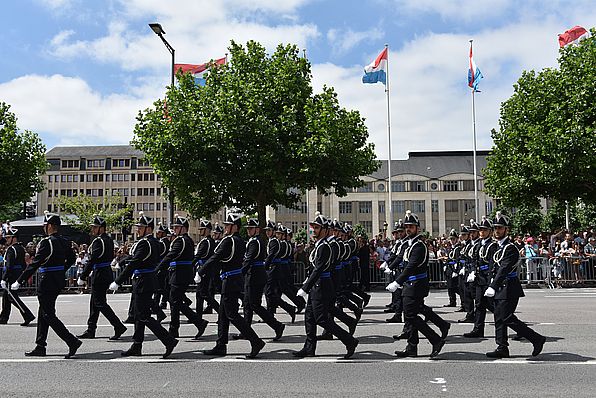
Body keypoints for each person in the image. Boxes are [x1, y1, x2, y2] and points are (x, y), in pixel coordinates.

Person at [12, 211, 82, 358]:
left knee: (48, 314)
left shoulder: (47, 242)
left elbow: (34, 264)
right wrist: (61, 270)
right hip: (57, 279)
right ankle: (40, 345)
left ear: (50, 226)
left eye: (45, 225)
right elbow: (71, 259)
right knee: (43, 312)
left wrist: (20, 280)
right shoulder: (65, 241)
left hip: (47, 280)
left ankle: (71, 341)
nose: (44, 227)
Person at [197, 213, 266, 359]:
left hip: (230, 281)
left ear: (234, 227)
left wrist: (201, 271)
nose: (225, 228)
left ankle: (256, 341)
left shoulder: (229, 241)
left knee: (232, 314)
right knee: (223, 315)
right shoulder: (240, 241)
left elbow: (216, 257)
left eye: (228, 225)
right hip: (232, 279)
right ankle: (221, 345)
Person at [110, 211, 178, 358]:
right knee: (138, 315)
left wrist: (118, 281)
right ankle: (137, 344)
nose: (137, 229)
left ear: (148, 228)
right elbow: (135, 259)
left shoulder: (146, 243)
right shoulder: (153, 242)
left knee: (144, 315)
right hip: (144, 280)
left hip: (143, 281)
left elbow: (134, 262)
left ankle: (168, 340)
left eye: (140, 227)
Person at [293, 212, 359, 359]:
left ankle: (349, 341)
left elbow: (319, 269)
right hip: (317, 284)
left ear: (325, 230)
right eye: (313, 227)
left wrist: (305, 288)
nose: (314, 230)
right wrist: (308, 282)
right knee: (309, 317)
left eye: (317, 228)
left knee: (321, 319)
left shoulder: (324, 247)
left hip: (322, 285)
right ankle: (309, 347)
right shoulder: (319, 245)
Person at [484, 211, 547, 358]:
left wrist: (493, 286)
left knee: (506, 317)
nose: (497, 231)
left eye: (500, 228)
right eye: (495, 228)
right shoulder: (496, 247)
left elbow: (504, 269)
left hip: (509, 287)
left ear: (507, 230)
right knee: (499, 318)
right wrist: (490, 285)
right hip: (498, 287)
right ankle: (502, 347)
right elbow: (492, 268)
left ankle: (536, 339)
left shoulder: (510, 248)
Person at [392, 210, 446, 359]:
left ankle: (435, 339)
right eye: (406, 226)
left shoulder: (419, 246)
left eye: (411, 226)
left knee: (410, 316)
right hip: (410, 284)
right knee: (410, 316)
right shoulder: (409, 245)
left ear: (418, 228)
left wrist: (398, 281)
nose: (408, 229)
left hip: (416, 285)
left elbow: (411, 266)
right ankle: (412, 346)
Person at [76, 215, 127, 340]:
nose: (93, 229)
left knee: (99, 303)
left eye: (95, 227)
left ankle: (118, 325)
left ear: (102, 228)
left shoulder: (99, 241)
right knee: (95, 302)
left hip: (100, 273)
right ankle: (91, 329)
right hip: (105, 271)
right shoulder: (108, 240)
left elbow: (93, 259)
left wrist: (83, 276)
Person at [157, 214, 208, 339]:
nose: (174, 229)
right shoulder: (188, 240)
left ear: (183, 228)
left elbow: (170, 255)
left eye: (177, 227)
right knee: (176, 301)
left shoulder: (181, 241)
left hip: (179, 274)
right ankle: (198, 322)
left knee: (174, 301)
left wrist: (158, 268)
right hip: (180, 273)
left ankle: (174, 329)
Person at [237, 217, 285, 341]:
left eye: (251, 228)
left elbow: (249, 259)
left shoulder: (255, 242)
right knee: (247, 305)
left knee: (254, 305)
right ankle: (246, 331)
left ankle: (277, 325)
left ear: (257, 229)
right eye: (247, 228)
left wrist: (239, 273)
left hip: (255, 276)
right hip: (252, 275)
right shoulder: (254, 241)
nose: (248, 230)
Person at [464, 216, 497, 338]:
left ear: (490, 231)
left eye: (484, 230)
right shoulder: (478, 244)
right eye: (481, 230)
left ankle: (514, 325)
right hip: (479, 278)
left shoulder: (492, 245)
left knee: (494, 306)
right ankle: (478, 329)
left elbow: (492, 263)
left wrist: (491, 280)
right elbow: (474, 260)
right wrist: (472, 271)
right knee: (479, 304)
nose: (482, 232)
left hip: (487, 278)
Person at [0, 227, 36, 326]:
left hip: (10, 276)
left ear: (14, 238)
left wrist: (4, 278)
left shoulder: (11, 250)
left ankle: (27, 315)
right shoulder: (20, 248)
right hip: (17, 275)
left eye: (8, 238)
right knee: (6, 297)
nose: (7, 240)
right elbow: (23, 265)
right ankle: (3, 317)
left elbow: (8, 266)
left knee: (12, 298)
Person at [193, 219, 219, 337]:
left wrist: (191, 264)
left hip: (204, 269)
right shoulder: (210, 241)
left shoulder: (206, 242)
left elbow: (199, 255)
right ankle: (198, 318)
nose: (201, 231)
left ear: (207, 230)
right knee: (201, 294)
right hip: (206, 269)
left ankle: (219, 312)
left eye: (202, 229)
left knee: (203, 294)